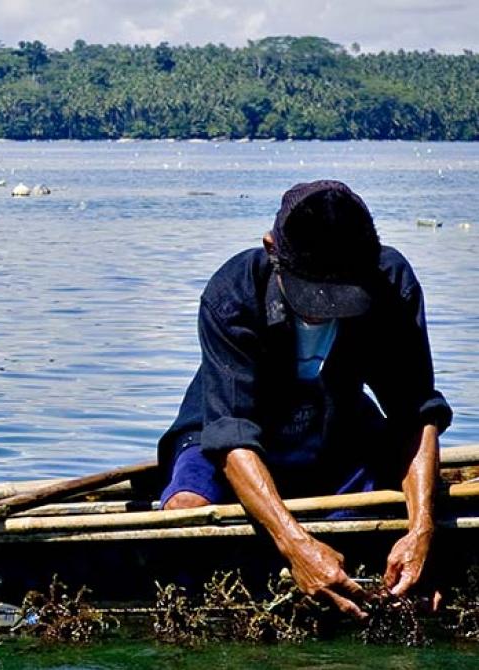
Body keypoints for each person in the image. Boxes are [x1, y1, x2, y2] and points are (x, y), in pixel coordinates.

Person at [157, 180, 451, 618]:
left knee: (423, 508)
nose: (323, 309)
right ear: (271, 249)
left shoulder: (390, 283)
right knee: (187, 512)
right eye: (310, 293)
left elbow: (413, 413)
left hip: (337, 429)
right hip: (224, 434)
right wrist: (295, 547)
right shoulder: (231, 295)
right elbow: (232, 435)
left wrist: (422, 530)